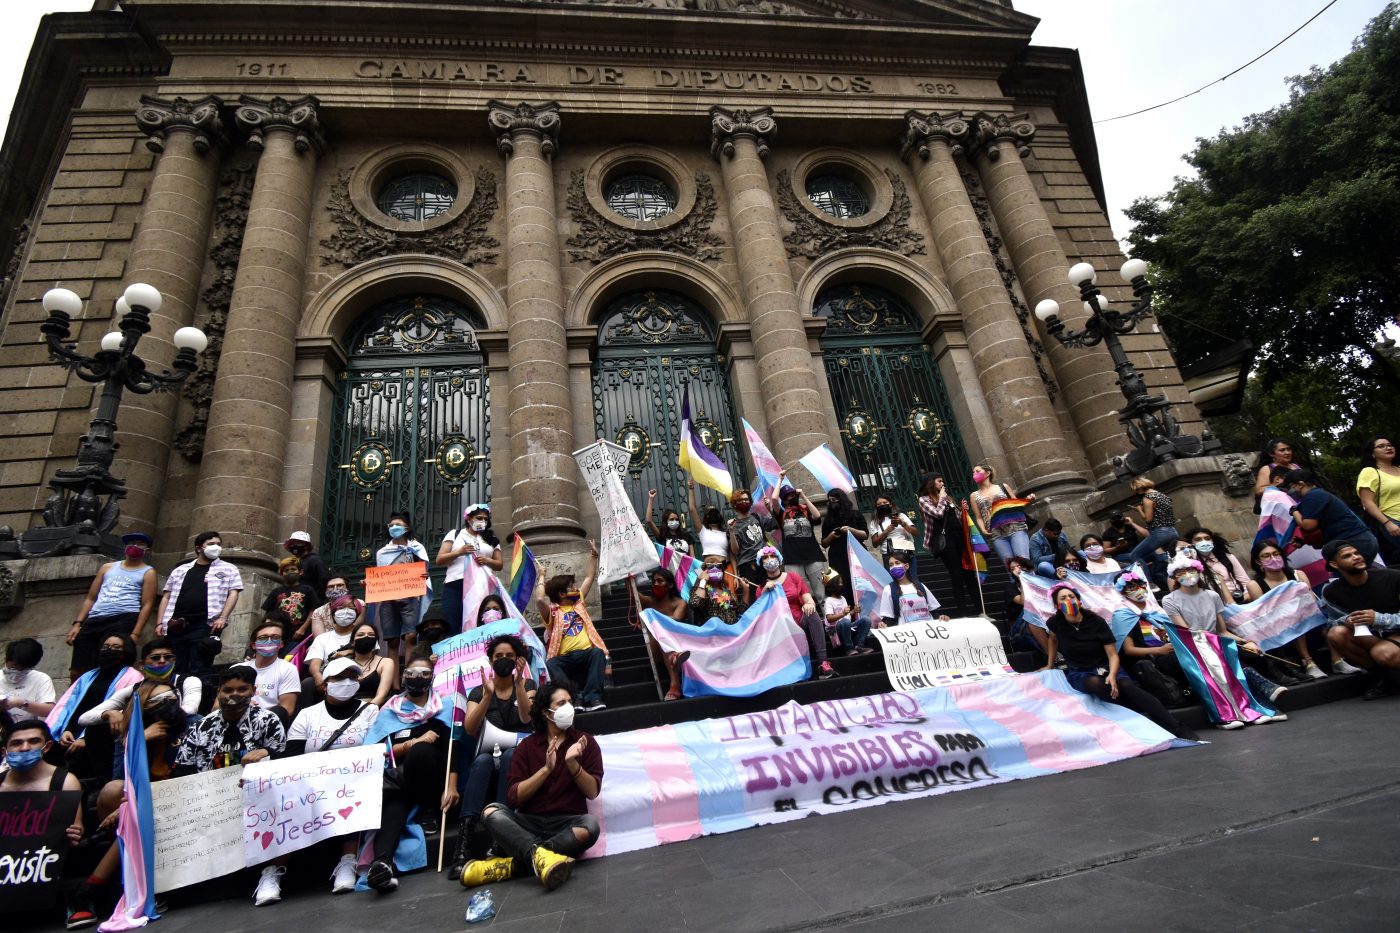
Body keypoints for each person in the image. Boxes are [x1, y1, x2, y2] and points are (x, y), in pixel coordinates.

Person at [464, 680, 602, 891]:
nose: (568, 708)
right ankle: (541, 857)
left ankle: (512, 865)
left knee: (590, 826)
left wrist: (573, 764)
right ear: (546, 713)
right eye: (561, 703)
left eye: (570, 702)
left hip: (566, 822)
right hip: (529, 821)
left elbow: (592, 792)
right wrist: (545, 770)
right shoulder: (526, 747)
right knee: (492, 811)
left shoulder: (585, 742)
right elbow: (513, 797)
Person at [174, 666, 287, 908]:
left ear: (253, 691)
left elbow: (285, 763)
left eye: (242, 689)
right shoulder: (200, 727)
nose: (233, 695)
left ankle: (270, 874)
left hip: (259, 799)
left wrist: (267, 752)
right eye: (227, 690)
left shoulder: (268, 720)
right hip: (210, 802)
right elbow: (183, 770)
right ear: (218, 692)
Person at [1041, 584, 1197, 741]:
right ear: (1057, 605)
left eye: (1071, 596)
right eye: (1063, 598)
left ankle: (1176, 727)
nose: (1069, 600)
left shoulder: (1096, 621)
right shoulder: (1055, 623)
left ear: (1078, 600)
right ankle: (1136, 715)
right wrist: (1050, 663)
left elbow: (1113, 655)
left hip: (1108, 666)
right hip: (1081, 671)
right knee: (1098, 684)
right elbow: (1053, 639)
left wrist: (1113, 675)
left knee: (1127, 686)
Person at [279, 657, 378, 900]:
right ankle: (273, 871)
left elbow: (376, 748)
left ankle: (347, 861)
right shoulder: (307, 715)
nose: (346, 682)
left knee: (351, 795)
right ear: (325, 685)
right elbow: (291, 755)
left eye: (352, 677)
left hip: (355, 781)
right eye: (339, 678)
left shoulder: (370, 711)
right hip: (312, 785)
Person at [446, 634, 537, 879]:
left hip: (519, 757)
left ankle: (500, 837)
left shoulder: (528, 686)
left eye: (509, 656)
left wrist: (518, 684)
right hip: (487, 755)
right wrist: (487, 695)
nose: (504, 660)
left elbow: (528, 718)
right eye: (499, 657)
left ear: (518, 661)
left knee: (510, 756)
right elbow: (470, 727)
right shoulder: (478, 691)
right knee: (482, 761)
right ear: (490, 661)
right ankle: (463, 846)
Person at [1161, 554, 1285, 728]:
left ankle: (1251, 709)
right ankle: (1226, 714)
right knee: (1219, 664)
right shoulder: (1170, 600)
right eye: (1181, 571)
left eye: (1191, 570)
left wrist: (1245, 641)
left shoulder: (1212, 596)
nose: (1187, 574)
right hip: (1193, 646)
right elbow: (1186, 633)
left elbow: (1222, 631)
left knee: (1236, 655)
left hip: (1215, 642)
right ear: (1175, 577)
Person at [362, 655, 453, 893]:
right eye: (412, 674)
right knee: (394, 800)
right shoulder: (389, 711)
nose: (417, 679)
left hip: (431, 781)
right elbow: (375, 749)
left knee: (422, 753)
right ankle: (381, 863)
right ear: (403, 677)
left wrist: (418, 747)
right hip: (398, 780)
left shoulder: (445, 707)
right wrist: (410, 744)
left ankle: (427, 811)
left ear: (432, 679)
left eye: (424, 674)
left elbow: (453, 748)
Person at [0, 720, 88, 929]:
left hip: (48, 862)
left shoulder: (64, 781)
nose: (24, 748)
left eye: (33, 741)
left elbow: (77, 828)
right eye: (17, 743)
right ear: (5, 750)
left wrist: (75, 833)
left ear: (46, 746)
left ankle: (77, 903)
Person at [69, 531, 158, 681]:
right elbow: (91, 597)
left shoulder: (148, 572)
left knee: (113, 664)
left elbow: (147, 605)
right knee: (78, 667)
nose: (134, 546)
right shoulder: (107, 567)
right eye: (131, 543)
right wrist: (78, 624)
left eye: (139, 544)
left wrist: (135, 634)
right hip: (96, 617)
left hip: (123, 618)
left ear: (147, 550)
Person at [53, 634, 140, 784]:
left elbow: (124, 712)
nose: (109, 650)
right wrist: (67, 730)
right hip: (73, 734)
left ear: (127, 651)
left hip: (100, 738)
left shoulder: (133, 676)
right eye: (106, 647)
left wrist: (86, 738)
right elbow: (72, 705)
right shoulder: (89, 676)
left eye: (116, 647)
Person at [155, 531, 243, 678]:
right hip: (177, 624)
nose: (216, 547)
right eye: (211, 544)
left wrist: (223, 617)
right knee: (176, 667)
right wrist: (159, 623)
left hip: (205, 624)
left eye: (218, 544)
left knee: (199, 666)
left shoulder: (228, 568)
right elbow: (166, 596)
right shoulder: (180, 570)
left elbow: (233, 593)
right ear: (199, 548)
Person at [1320, 540, 1400, 700]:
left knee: (1383, 652)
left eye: (1357, 553)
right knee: (1336, 634)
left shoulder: (1392, 577)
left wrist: (1378, 618)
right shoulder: (1331, 591)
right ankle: (1384, 679)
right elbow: (1330, 623)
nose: (1356, 557)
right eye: (1347, 556)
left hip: (1396, 632)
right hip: (1371, 636)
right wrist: (1347, 620)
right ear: (1335, 564)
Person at [76, 638, 202, 740]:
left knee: (194, 720)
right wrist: (109, 713)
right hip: (142, 735)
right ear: (142, 665)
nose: (162, 661)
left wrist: (131, 717)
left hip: (177, 733)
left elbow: (189, 710)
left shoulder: (189, 681)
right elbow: (84, 718)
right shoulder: (133, 689)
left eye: (168, 657)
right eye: (156, 658)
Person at [539, 541, 609, 712]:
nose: (576, 588)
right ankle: (575, 698)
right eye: (571, 586)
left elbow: (589, 577)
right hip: (565, 658)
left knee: (598, 653)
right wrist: (541, 576)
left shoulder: (579, 604)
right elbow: (540, 599)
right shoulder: (552, 613)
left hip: (586, 653)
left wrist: (594, 556)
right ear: (562, 594)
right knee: (552, 664)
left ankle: (593, 697)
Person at [1251, 538, 1328, 681]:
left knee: (1321, 611)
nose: (1273, 558)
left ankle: (1337, 660)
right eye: (1266, 556)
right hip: (1282, 631)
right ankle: (1308, 662)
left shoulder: (1298, 574)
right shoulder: (1255, 584)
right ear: (1258, 562)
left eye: (1276, 553)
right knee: (1292, 615)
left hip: (1311, 623)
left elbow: (1310, 599)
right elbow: (1264, 614)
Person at [758, 544, 836, 679]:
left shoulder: (793, 577)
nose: (770, 559)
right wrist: (765, 592)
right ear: (761, 563)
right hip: (780, 629)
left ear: (779, 559)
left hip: (799, 622)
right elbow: (762, 615)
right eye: (765, 557)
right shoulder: (760, 588)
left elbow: (808, 599)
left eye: (772, 556)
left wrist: (809, 605)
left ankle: (823, 663)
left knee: (813, 613)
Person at [1112, 570, 1188, 707]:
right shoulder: (1122, 615)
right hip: (1151, 659)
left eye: (1140, 584)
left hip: (1168, 652)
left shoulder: (1155, 609)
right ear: (1123, 592)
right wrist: (1159, 650)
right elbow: (1128, 650)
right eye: (1131, 587)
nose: (1139, 589)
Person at [1286, 470, 1379, 565]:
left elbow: (1309, 525)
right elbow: (1323, 528)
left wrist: (1294, 512)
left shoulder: (1313, 496)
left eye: (1291, 487)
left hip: (1353, 541)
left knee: (1347, 575)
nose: (1289, 491)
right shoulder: (1317, 495)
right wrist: (1303, 541)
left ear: (1300, 484)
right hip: (1357, 540)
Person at [437, 503, 504, 633]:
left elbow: (499, 564)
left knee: (479, 620)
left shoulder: (492, 539)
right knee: (452, 621)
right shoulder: (455, 534)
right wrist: (458, 552)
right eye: (479, 518)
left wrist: (487, 560)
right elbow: (439, 560)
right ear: (468, 519)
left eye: (485, 519)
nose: (483, 521)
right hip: (455, 584)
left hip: (482, 585)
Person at [918, 474, 979, 615]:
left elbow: (956, 517)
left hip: (959, 537)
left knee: (968, 572)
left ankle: (978, 607)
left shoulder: (948, 498)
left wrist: (963, 510)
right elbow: (938, 513)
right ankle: (962, 610)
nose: (942, 483)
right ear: (931, 483)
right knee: (956, 573)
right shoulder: (924, 500)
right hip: (945, 541)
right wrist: (943, 497)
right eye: (939, 481)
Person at [375, 513, 432, 665]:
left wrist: (424, 575)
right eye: (391, 525)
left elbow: (423, 568)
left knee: (411, 635)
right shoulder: (382, 553)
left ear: (406, 528)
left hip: (411, 598)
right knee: (392, 641)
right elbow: (380, 576)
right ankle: (393, 685)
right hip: (388, 600)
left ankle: (409, 675)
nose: (394, 527)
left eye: (398, 525)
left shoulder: (416, 548)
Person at [636, 568, 691, 701]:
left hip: (674, 644)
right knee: (661, 635)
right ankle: (675, 676)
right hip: (655, 649)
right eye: (653, 581)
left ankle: (675, 686)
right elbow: (633, 593)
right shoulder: (649, 602)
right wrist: (628, 579)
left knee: (664, 632)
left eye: (660, 581)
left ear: (670, 584)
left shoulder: (680, 603)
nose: (655, 584)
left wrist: (655, 620)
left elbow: (676, 621)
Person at [969, 463, 1035, 565]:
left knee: (1023, 563)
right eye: (973, 472)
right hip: (996, 534)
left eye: (977, 471)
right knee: (1010, 567)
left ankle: (1029, 581)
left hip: (1015, 528)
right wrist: (983, 530)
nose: (974, 474)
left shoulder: (1003, 487)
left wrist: (1028, 500)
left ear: (987, 473)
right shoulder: (974, 495)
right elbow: (979, 517)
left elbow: (1017, 505)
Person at [774, 478, 826, 604]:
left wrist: (802, 495)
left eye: (793, 494)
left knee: (821, 593)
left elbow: (817, 515)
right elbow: (774, 499)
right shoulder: (782, 514)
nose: (792, 497)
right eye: (789, 496)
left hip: (813, 556)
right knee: (801, 596)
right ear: (785, 500)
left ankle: (828, 620)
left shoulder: (805, 511)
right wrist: (780, 479)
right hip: (793, 559)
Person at [1124, 477, 1179, 590]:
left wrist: (1139, 510)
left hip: (1160, 532)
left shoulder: (1148, 498)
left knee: (1135, 555)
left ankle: (1150, 583)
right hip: (1172, 531)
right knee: (1169, 558)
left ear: (1138, 488)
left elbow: (1148, 519)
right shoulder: (1163, 496)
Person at [246, 619, 301, 725]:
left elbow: (287, 710)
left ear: (281, 644)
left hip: (268, 725)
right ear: (253, 645)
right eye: (263, 637)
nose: (269, 641)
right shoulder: (238, 668)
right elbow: (216, 707)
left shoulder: (288, 669)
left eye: (275, 637)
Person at [876, 550, 951, 628]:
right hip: (907, 634)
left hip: (929, 630)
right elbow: (889, 618)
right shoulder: (889, 589)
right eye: (891, 565)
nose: (894, 567)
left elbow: (933, 612)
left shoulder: (920, 586)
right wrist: (883, 625)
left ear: (907, 566)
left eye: (897, 563)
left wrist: (942, 618)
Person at [1186, 526, 1259, 605]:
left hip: (1240, 600)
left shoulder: (1227, 557)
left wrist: (1244, 598)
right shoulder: (1190, 564)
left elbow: (1245, 582)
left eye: (1207, 538)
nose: (1204, 542)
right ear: (1191, 543)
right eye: (1198, 539)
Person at [307, 595, 364, 695]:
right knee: (307, 684)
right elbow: (315, 663)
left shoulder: (364, 635)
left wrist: (349, 652)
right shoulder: (322, 638)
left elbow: (371, 658)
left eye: (351, 608)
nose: (346, 611)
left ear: (357, 614)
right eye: (341, 608)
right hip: (330, 681)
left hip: (357, 678)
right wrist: (317, 676)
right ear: (333, 614)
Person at [1356, 435, 1400, 564]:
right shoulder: (1370, 472)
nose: (1388, 448)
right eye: (1381, 446)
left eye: (1390, 445)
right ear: (1372, 453)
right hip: (1393, 520)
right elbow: (1367, 502)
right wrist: (1387, 523)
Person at [820, 488, 867, 605]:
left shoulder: (856, 515)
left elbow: (865, 535)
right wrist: (831, 535)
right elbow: (824, 543)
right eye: (829, 501)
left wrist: (850, 530)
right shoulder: (828, 519)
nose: (832, 503)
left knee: (860, 582)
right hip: (838, 556)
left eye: (835, 500)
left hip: (856, 552)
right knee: (841, 584)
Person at [727, 487, 775, 590]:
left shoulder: (757, 517)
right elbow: (735, 550)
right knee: (755, 597)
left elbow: (774, 525)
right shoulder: (733, 524)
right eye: (741, 500)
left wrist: (770, 510)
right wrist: (731, 531)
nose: (744, 502)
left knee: (772, 592)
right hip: (748, 567)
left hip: (765, 562)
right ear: (735, 504)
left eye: (746, 499)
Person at [259, 557, 320, 636]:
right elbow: (268, 614)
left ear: (300, 572)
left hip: (299, 633)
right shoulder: (276, 591)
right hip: (279, 634)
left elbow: (314, 611)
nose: (290, 572)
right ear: (281, 574)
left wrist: (302, 629)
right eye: (286, 570)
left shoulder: (307, 589)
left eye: (293, 569)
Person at [2, 637, 55, 724]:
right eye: (13, 667)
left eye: (23, 669)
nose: (17, 672)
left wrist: (20, 703)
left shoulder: (41, 678)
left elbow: (50, 710)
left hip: (27, 729)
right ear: (6, 660)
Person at [345, 621, 395, 708]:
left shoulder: (386, 662)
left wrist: (364, 713)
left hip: (372, 710)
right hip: (346, 709)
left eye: (371, 635)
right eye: (360, 635)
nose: (366, 637)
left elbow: (381, 696)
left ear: (376, 641)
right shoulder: (344, 663)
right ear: (352, 642)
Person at [689, 554, 751, 625]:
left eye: (719, 566)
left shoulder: (727, 591)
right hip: (712, 634)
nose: (715, 568)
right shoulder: (700, 589)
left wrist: (746, 590)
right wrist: (703, 580)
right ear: (703, 571)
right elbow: (695, 603)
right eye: (710, 566)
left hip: (732, 632)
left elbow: (740, 612)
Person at [295, 575, 361, 641]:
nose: (336, 589)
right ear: (325, 590)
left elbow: (356, 631)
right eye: (331, 586)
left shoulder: (358, 604)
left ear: (347, 588)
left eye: (340, 585)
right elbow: (320, 639)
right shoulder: (319, 612)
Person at [868, 491, 917, 572]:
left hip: (906, 551)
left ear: (890, 504)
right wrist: (886, 531)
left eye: (885, 502)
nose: (882, 505)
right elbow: (875, 543)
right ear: (876, 507)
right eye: (879, 504)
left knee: (912, 578)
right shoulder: (875, 522)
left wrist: (903, 523)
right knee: (894, 580)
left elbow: (915, 533)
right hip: (889, 555)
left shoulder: (901, 516)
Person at [686, 479, 732, 565]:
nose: (712, 515)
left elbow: (731, 554)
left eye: (715, 513)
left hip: (725, 567)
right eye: (710, 513)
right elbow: (692, 509)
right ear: (706, 517)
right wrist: (691, 489)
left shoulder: (726, 533)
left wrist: (735, 573)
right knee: (697, 575)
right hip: (707, 566)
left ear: (720, 516)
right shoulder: (702, 530)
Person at [824, 573, 871, 654]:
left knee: (866, 620)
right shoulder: (829, 600)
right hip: (835, 630)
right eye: (838, 583)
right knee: (845, 622)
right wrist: (843, 614)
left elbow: (847, 615)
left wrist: (854, 611)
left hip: (847, 625)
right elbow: (829, 619)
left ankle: (859, 645)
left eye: (841, 583)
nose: (841, 585)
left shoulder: (843, 598)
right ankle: (849, 648)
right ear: (831, 585)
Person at [283, 530, 331, 602]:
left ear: (306, 546)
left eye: (297, 543)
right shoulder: (296, 563)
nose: (293, 546)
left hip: (312, 603)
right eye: (291, 544)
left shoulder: (315, 560)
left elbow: (324, 580)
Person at [1253, 437, 1305, 501]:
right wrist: (1280, 486)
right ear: (1271, 454)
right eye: (1282, 450)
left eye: (1288, 449)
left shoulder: (1295, 466)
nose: (1287, 453)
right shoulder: (1267, 469)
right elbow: (1259, 491)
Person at [646, 489, 694, 555]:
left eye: (676, 519)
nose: (675, 521)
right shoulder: (662, 536)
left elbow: (692, 558)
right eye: (671, 519)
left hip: (685, 565)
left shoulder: (686, 536)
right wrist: (651, 499)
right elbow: (649, 521)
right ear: (666, 521)